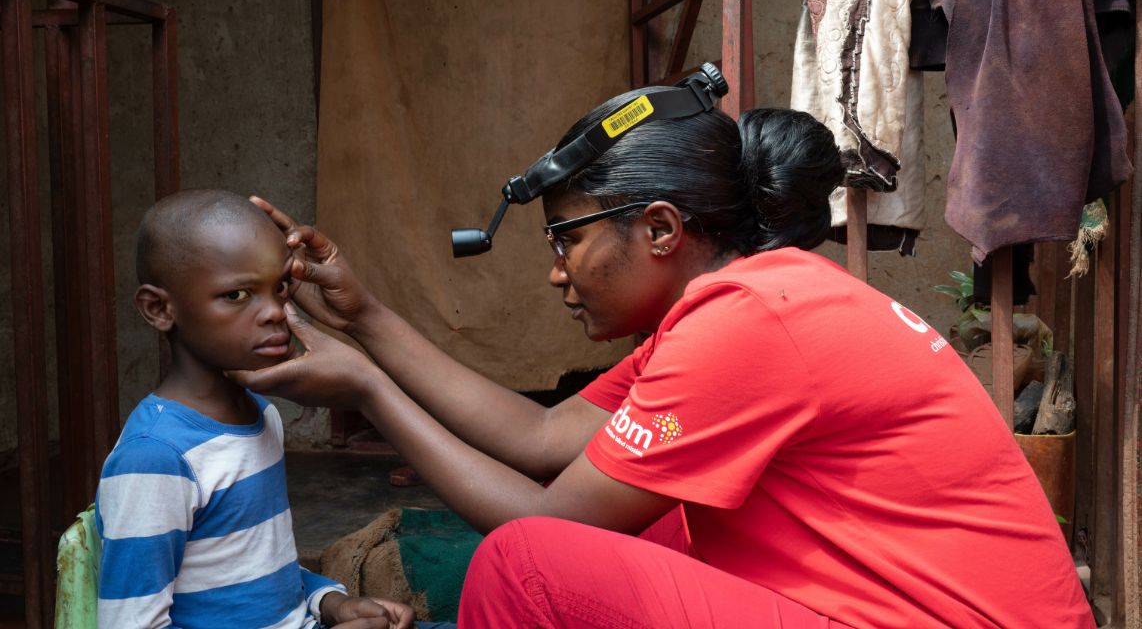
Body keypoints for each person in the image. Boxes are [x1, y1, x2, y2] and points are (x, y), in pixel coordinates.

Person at [231, 97, 1093, 628]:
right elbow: (540, 436)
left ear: (658, 230)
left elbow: (544, 520)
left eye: (568, 240)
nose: (557, 271)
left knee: (526, 566)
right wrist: (368, 319)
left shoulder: (748, 324)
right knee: (663, 520)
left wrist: (364, 387)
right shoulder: (757, 298)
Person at [96, 189, 415, 629]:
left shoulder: (261, 415)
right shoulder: (157, 458)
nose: (274, 312)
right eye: (238, 294)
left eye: (279, 287)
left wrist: (328, 602)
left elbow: (257, 571)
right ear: (159, 309)